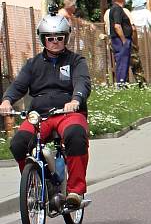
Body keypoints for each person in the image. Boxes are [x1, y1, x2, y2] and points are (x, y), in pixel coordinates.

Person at [0, 12, 91, 209]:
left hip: (68, 113)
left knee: (76, 135)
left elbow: (82, 82)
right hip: (40, 116)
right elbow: (18, 85)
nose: (55, 42)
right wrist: (7, 100)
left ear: (66, 38)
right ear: (43, 39)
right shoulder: (32, 64)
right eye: (50, 38)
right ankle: (36, 183)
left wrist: (76, 99)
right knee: (18, 144)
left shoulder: (76, 61)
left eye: (59, 38)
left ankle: (75, 191)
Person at [109, 0, 133, 86]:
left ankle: (122, 83)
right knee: (122, 63)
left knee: (123, 62)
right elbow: (117, 26)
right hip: (120, 40)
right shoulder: (117, 9)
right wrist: (124, 40)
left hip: (119, 40)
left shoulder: (115, 9)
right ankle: (121, 84)